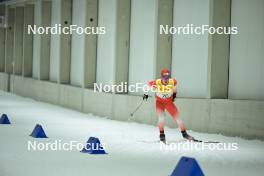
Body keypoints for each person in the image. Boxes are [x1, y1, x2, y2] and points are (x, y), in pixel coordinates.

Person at [143, 69, 194, 143]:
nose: (166, 80)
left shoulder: (172, 81)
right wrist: (145, 94)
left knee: (178, 117)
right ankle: (162, 135)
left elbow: (175, 88)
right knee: (161, 118)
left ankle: (184, 134)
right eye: (164, 77)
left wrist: (174, 95)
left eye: (167, 77)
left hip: (168, 102)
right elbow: (148, 85)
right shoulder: (157, 82)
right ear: (161, 77)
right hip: (159, 102)